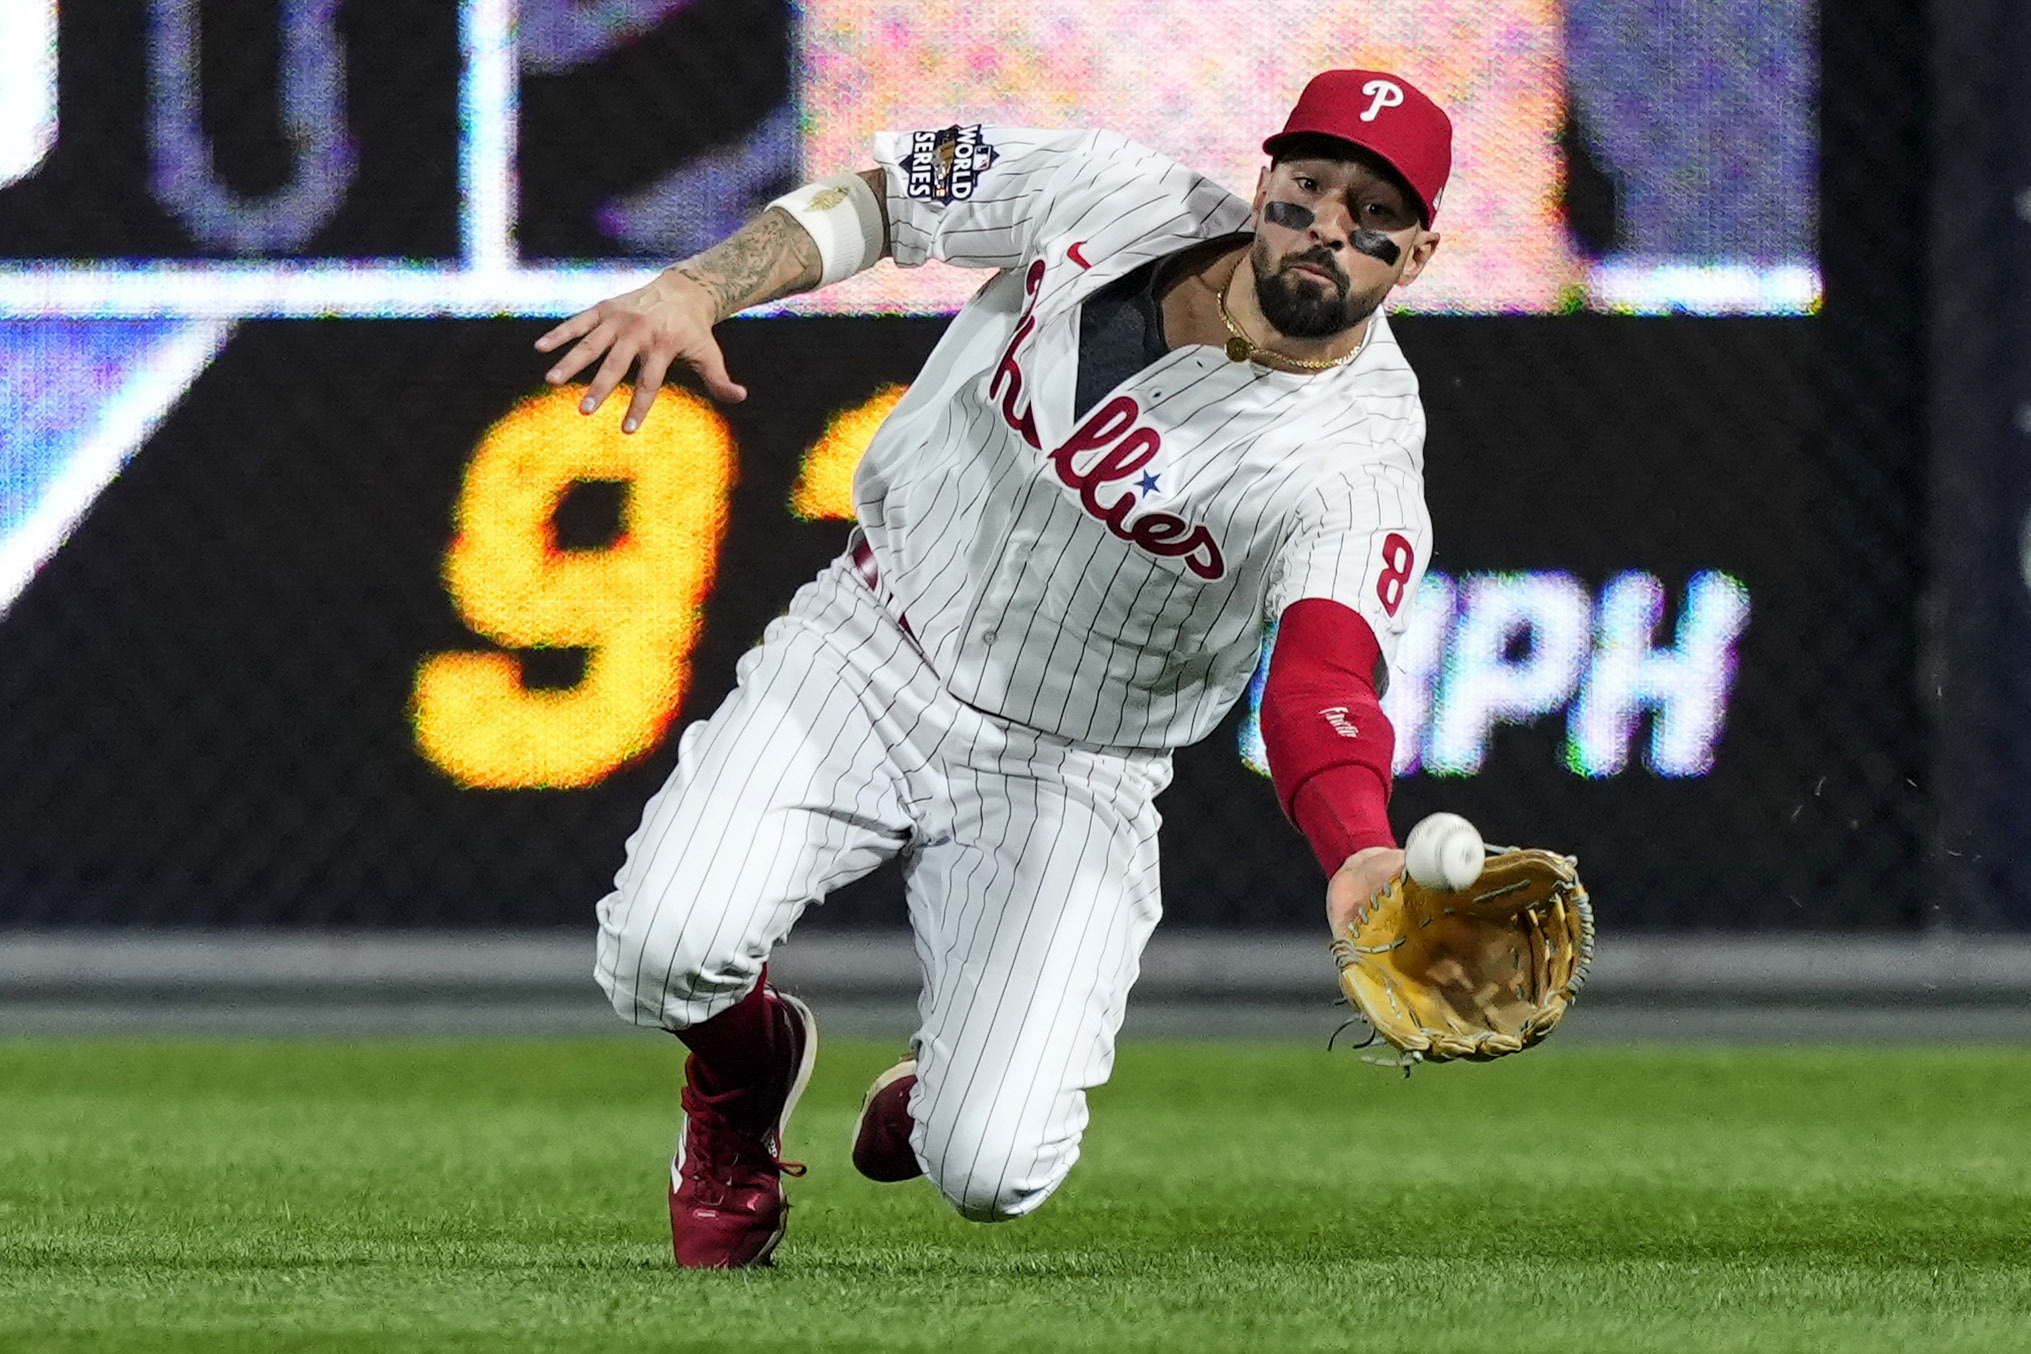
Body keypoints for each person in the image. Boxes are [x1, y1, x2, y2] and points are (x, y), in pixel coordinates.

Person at [535, 68, 1451, 1269]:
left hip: (1076, 765)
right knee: (657, 952)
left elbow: (1321, 682)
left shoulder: (1360, 460)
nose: (1329, 223)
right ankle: (745, 1073)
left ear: (1417, 254)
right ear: (1267, 177)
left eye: (1373, 210)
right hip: (871, 646)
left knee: (993, 1170)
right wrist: (698, 286)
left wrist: (1362, 852)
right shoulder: (1105, 190)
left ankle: (951, 1085)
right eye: (1311, 184)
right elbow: (885, 201)